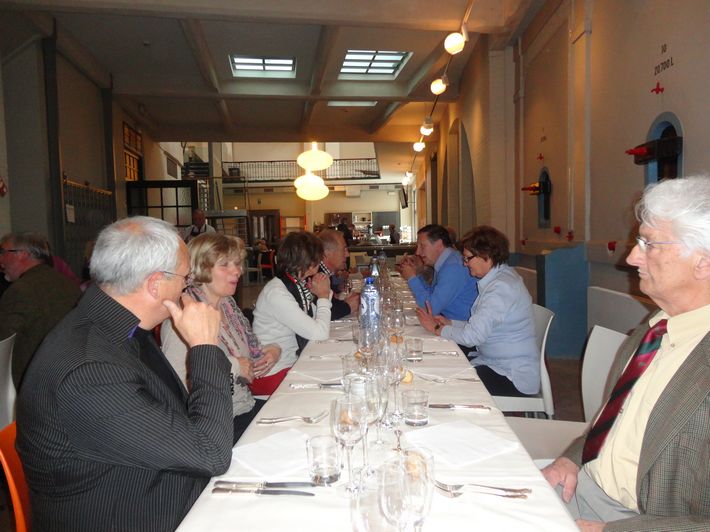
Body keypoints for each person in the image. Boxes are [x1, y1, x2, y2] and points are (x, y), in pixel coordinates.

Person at [16, 216, 233, 531]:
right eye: (185, 278)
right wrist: (205, 347)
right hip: (136, 514)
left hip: (164, 488)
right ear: (155, 284)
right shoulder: (90, 371)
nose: (187, 288)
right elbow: (211, 454)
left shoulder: (117, 325)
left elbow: (181, 421)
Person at [542, 176, 710, 531]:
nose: (631, 257)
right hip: (583, 484)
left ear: (703, 262)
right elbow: (613, 422)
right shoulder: (654, 329)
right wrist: (571, 459)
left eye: (649, 244)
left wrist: (611, 530)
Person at [161, 233, 281, 443]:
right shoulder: (183, 318)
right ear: (201, 268)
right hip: (215, 425)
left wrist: (274, 350)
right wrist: (234, 367)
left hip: (245, 407)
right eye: (225, 264)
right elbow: (176, 385)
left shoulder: (228, 307)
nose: (237, 271)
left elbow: (248, 356)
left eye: (237, 263)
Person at [416, 226, 538, 396]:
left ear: (485, 255)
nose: (465, 264)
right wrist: (450, 323)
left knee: (444, 384)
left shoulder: (500, 288)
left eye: (467, 258)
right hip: (493, 362)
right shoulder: (498, 279)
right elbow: (479, 326)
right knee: (441, 368)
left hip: (511, 374)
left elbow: (472, 337)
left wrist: (437, 328)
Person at [252, 231, 332, 393]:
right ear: (310, 262)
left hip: (288, 362)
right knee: (329, 380)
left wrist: (321, 295)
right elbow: (320, 333)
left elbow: (314, 320)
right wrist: (323, 297)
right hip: (273, 371)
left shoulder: (292, 284)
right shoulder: (277, 293)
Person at [0, 232, 81, 388]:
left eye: (3, 252)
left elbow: (3, 341)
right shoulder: (67, 283)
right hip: (68, 376)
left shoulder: (21, 290)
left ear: (22, 254)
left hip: (30, 383)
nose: (1, 260)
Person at [398, 224, 477, 320]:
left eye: (422, 246)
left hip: (462, 325)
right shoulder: (446, 261)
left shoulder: (453, 267)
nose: (417, 252)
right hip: (448, 321)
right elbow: (431, 295)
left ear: (439, 245)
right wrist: (416, 274)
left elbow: (430, 309)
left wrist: (412, 278)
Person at [318, 229, 359, 319]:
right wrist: (348, 307)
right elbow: (319, 313)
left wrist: (337, 291)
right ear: (327, 253)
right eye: (344, 250)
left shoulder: (327, 273)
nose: (347, 254)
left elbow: (332, 303)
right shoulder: (317, 275)